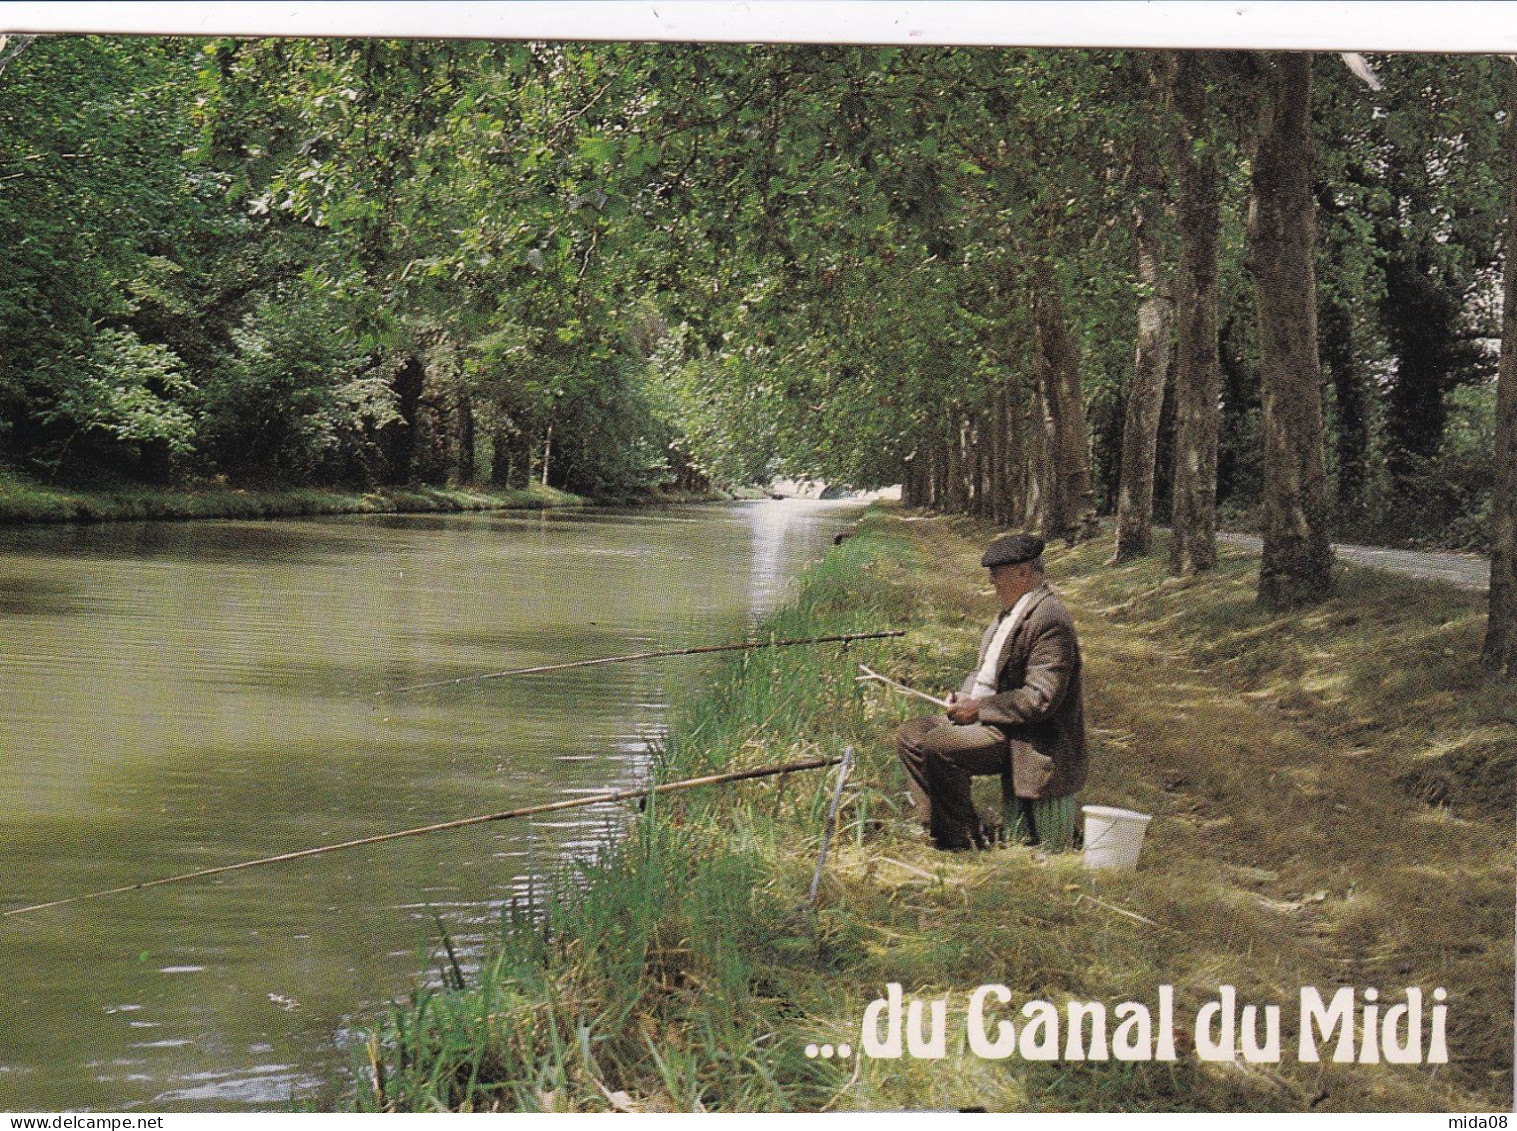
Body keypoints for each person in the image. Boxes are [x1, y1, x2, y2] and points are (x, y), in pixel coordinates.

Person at [895, 533, 1088, 851]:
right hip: (996, 720)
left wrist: (980, 709)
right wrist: (963, 695)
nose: (991, 580)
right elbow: (984, 672)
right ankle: (931, 824)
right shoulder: (1011, 614)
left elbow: (1040, 699)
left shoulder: (1050, 621)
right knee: (911, 735)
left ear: (1024, 572)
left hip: (1026, 734)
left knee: (940, 745)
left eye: (997, 572)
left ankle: (962, 839)